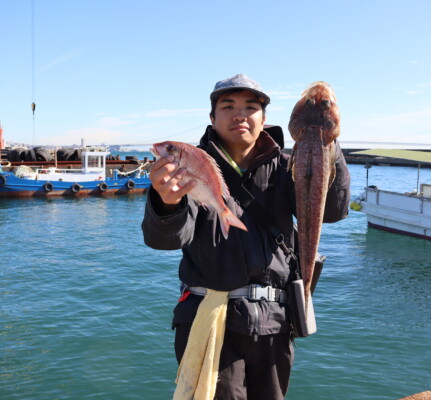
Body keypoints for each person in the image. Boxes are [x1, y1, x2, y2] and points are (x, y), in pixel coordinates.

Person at [141, 73, 350, 399]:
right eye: (228, 106)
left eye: (250, 107)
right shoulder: (189, 167)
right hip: (207, 318)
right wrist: (166, 202)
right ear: (212, 117)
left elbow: (334, 210)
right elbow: (166, 239)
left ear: (264, 119)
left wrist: (328, 147)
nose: (240, 114)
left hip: (274, 322)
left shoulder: (287, 165)